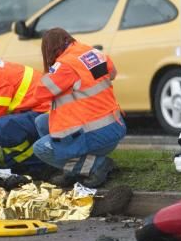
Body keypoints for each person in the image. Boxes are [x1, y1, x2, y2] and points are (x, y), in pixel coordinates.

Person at [32, 28, 126, 187]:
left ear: (50, 50)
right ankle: (72, 171)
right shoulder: (91, 52)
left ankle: (97, 165)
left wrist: (51, 70)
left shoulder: (65, 65)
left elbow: (39, 93)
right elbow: (112, 73)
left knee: (41, 148)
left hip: (96, 134)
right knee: (42, 121)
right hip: (113, 125)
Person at [0, 55, 50, 175]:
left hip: (47, 115)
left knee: (0, 128)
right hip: (41, 111)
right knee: (6, 128)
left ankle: (38, 166)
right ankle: (17, 166)